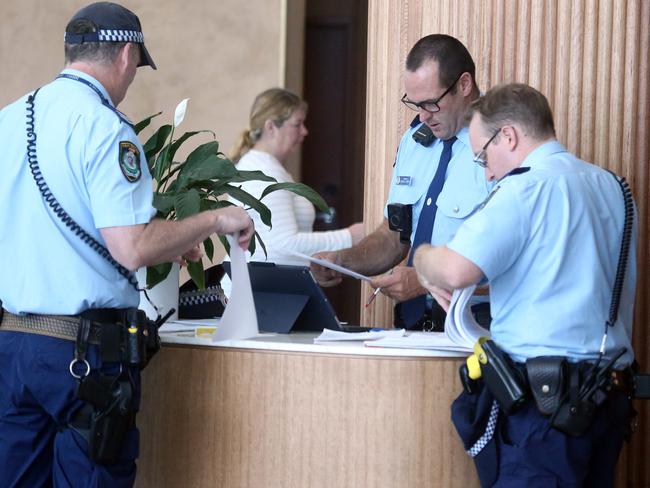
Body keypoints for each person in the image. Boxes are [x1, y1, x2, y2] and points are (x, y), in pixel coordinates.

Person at [0, 3, 254, 487]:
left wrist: (162, 233)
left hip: (14, 347)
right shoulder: (105, 128)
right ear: (126, 54)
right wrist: (214, 219)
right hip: (83, 358)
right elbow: (132, 249)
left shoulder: (9, 121)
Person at [413, 83, 637, 486]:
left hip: (545, 412)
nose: (487, 171)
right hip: (606, 398)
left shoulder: (525, 188)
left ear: (509, 136)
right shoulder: (613, 188)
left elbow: (455, 270)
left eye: (482, 156)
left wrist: (422, 258)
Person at [310, 34, 491, 330]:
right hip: (413, 324)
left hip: (474, 327)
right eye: (415, 104)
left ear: (464, 85)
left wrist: (424, 283)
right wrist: (342, 260)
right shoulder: (414, 141)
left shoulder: (500, 144)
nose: (422, 117)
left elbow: (519, 264)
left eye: (431, 103)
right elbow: (394, 237)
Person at [227, 87, 364, 266]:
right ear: (271, 127)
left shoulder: (267, 167)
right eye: (297, 124)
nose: (304, 131)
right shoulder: (263, 171)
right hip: (256, 291)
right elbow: (284, 246)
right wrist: (349, 237)